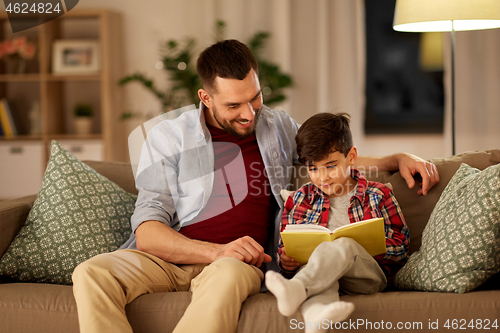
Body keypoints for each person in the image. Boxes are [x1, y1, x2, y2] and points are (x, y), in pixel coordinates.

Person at [71, 39, 439, 333]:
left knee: (229, 274)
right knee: (90, 272)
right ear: (206, 98)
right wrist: (215, 251)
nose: (249, 113)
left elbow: (328, 158)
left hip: (236, 266)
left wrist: (396, 159)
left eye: (256, 97)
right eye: (234, 105)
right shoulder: (168, 138)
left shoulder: (276, 125)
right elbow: (149, 232)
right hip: (169, 259)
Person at [265, 112, 409, 333]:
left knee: (342, 245)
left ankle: (296, 289)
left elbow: (401, 247)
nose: (322, 177)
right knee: (319, 271)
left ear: (351, 157)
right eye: (313, 168)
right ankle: (315, 320)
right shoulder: (298, 200)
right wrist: (286, 261)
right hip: (319, 277)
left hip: (364, 277)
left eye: (330, 166)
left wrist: (369, 245)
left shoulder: (378, 194)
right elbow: (285, 252)